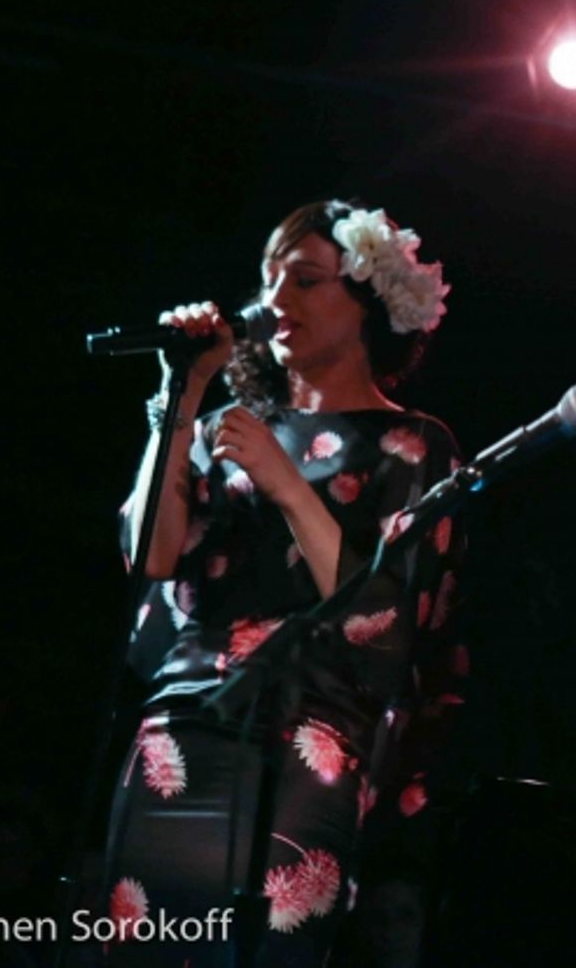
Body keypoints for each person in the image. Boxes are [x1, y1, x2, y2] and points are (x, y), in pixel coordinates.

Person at [104, 200, 467, 966]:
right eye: (270, 280)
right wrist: (181, 398)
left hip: (308, 737)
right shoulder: (220, 425)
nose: (276, 301)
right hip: (182, 724)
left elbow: (379, 619)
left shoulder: (413, 445)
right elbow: (148, 558)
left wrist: (286, 481)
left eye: (305, 280)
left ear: (368, 303)